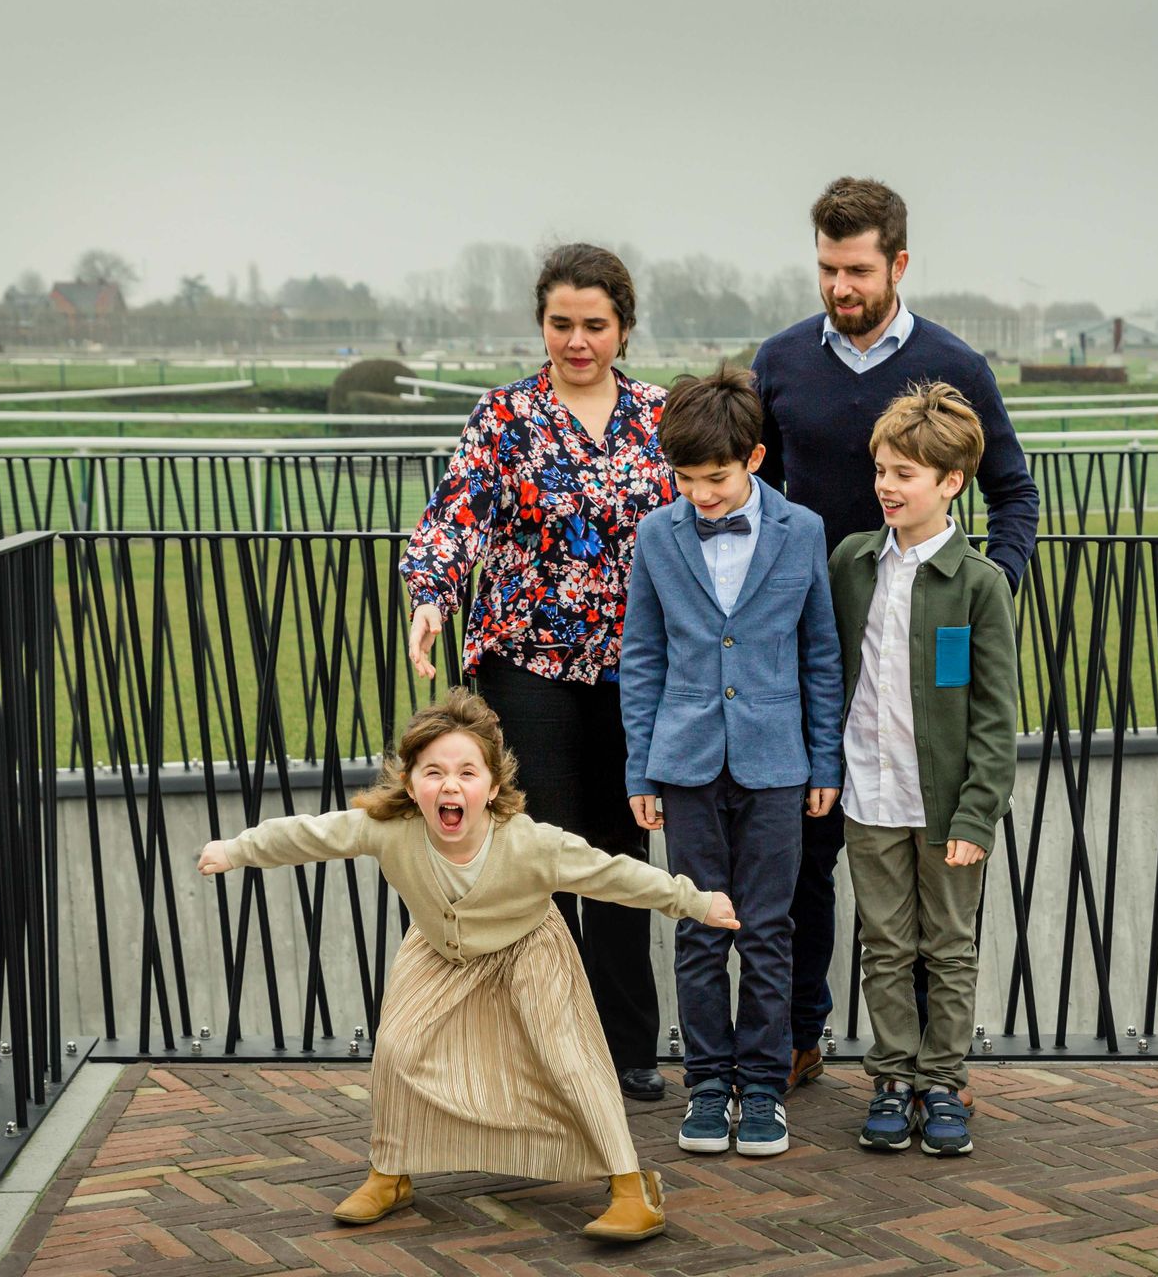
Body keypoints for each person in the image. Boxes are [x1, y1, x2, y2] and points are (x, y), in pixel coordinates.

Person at [196, 688, 740, 1241]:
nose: (450, 785)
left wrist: (695, 902)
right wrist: (238, 849)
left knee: (568, 1060)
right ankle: (390, 1173)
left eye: (467, 772)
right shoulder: (388, 829)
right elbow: (309, 834)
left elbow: (616, 875)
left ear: (494, 785)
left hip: (530, 951)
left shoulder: (532, 843)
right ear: (410, 784)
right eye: (433, 772)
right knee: (397, 1049)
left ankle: (631, 1186)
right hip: (438, 953)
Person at [751, 176, 1039, 1088]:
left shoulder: (956, 364)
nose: (840, 287)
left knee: (922, 894)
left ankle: (930, 1072)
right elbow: (751, 479)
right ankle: (803, 1037)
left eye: (859, 269)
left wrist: (986, 592)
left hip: (914, 655)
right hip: (804, 653)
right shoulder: (782, 360)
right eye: (828, 268)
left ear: (899, 264)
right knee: (804, 860)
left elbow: (1014, 492)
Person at [400, 244, 676, 1102]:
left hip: (634, 672)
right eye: (562, 324)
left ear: (623, 328)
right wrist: (432, 597)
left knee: (620, 858)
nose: (578, 341)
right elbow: (456, 517)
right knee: (543, 860)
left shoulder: (662, 417)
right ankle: (556, 1044)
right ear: (542, 324)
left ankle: (630, 1046)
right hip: (528, 669)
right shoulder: (504, 416)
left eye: (596, 325)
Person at [617, 367, 844, 1159]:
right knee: (697, 930)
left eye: (714, 478)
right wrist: (641, 770)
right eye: (683, 479)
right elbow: (641, 656)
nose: (699, 494)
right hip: (683, 765)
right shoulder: (656, 536)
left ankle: (763, 1085)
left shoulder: (803, 531)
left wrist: (824, 764)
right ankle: (707, 1087)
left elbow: (821, 654)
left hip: (778, 764)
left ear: (752, 458)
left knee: (771, 929)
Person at [828, 383, 1018, 1154]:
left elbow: (997, 715)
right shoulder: (853, 563)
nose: (886, 486)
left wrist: (978, 813)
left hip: (945, 808)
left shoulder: (979, 584)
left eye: (905, 473)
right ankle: (893, 1076)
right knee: (884, 944)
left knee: (948, 944)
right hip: (868, 795)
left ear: (951, 482)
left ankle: (943, 1081)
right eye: (881, 469)